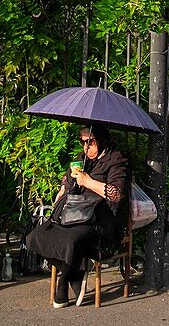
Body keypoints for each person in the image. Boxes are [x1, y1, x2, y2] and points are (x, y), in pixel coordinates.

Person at [26, 124, 129, 308]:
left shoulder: (116, 160)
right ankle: (75, 274)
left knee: (72, 240)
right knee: (36, 236)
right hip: (73, 213)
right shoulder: (82, 159)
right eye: (83, 142)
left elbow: (117, 195)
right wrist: (65, 186)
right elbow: (67, 179)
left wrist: (88, 182)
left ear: (102, 140)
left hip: (99, 218)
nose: (86, 147)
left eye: (91, 142)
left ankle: (64, 281)